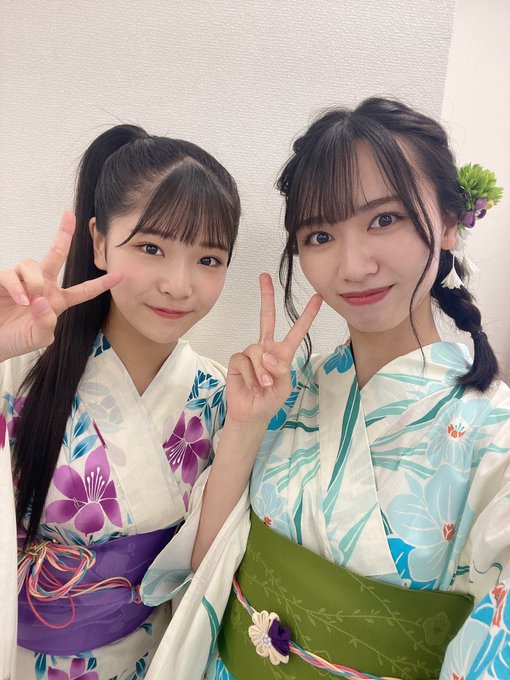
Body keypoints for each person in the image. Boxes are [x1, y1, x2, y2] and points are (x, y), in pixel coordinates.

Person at [141, 97, 509, 680]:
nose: (353, 265)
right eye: (319, 235)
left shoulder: (496, 440)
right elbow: (205, 570)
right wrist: (244, 427)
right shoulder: (287, 395)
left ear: (446, 222)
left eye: (384, 220)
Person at [0, 123, 240, 679]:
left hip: (149, 660)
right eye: (152, 248)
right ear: (99, 241)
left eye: (208, 259)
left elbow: (208, 568)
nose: (179, 284)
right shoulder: (21, 369)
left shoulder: (218, 396)